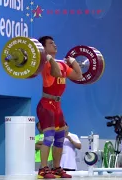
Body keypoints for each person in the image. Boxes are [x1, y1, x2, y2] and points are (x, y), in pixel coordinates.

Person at [36, 36, 83, 179]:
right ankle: (43, 169)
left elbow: (78, 76)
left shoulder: (62, 64)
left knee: (60, 139)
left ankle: (56, 168)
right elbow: (56, 73)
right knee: (48, 138)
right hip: (46, 105)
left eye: (55, 42)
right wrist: (49, 58)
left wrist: (73, 61)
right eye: (51, 43)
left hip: (57, 105)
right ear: (43, 48)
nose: (55, 45)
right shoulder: (45, 63)